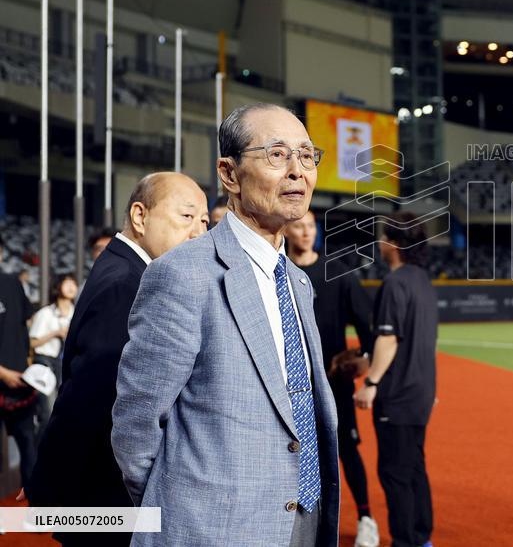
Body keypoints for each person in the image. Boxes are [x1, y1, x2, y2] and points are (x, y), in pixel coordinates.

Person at [112, 103, 341, 546]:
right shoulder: (182, 274)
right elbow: (136, 422)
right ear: (229, 174)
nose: (298, 171)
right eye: (277, 155)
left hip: (303, 519)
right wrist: (179, 508)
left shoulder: (296, 281)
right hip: (212, 529)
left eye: (308, 155)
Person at [26, 173, 208, 546]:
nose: (198, 233)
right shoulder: (129, 283)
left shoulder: (125, 269)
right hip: (106, 494)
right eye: (187, 217)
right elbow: (91, 396)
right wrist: (50, 487)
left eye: (205, 222)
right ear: (140, 216)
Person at [287, 209, 380, 547]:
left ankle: (366, 518)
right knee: (292, 454)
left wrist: (363, 360)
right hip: (289, 388)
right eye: (298, 226)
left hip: (333, 385)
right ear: (287, 230)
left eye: (311, 225)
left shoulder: (338, 273)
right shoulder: (277, 271)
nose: (306, 231)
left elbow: (368, 327)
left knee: (346, 450)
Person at [355, 212, 438, 547]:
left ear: (396, 243)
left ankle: (405, 541)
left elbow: (390, 339)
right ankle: (421, 537)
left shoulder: (396, 282)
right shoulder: (423, 281)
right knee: (414, 466)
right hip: (420, 391)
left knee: (395, 474)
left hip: (397, 394)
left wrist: (371, 382)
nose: (380, 242)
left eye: (385, 236)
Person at [0, 233, 37, 487]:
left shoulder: (12, 283)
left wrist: (28, 365)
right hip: (3, 377)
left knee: (28, 444)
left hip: (21, 383)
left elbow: (25, 326)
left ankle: (36, 509)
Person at [28, 273, 76, 431]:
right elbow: (32, 342)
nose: (71, 287)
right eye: (66, 283)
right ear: (57, 287)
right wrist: (55, 333)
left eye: (73, 283)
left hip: (67, 366)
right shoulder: (46, 313)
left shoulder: (77, 313)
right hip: (46, 365)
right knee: (49, 413)